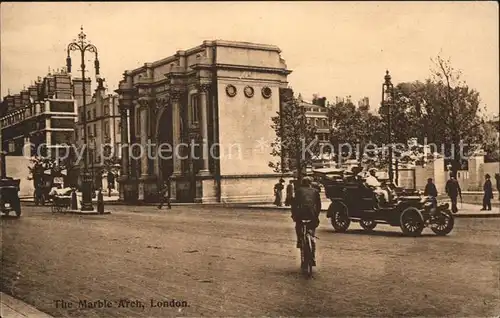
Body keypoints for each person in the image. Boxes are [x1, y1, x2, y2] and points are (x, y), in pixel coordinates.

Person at [292, 177, 321, 266]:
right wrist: (316, 215)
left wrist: (294, 215)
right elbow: (318, 205)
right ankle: (312, 256)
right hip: (312, 215)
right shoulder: (315, 191)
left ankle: (300, 241)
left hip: (300, 215)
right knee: (312, 234)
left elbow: (294, 204)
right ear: (310, 183)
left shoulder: (298, 191)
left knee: (298, 227)